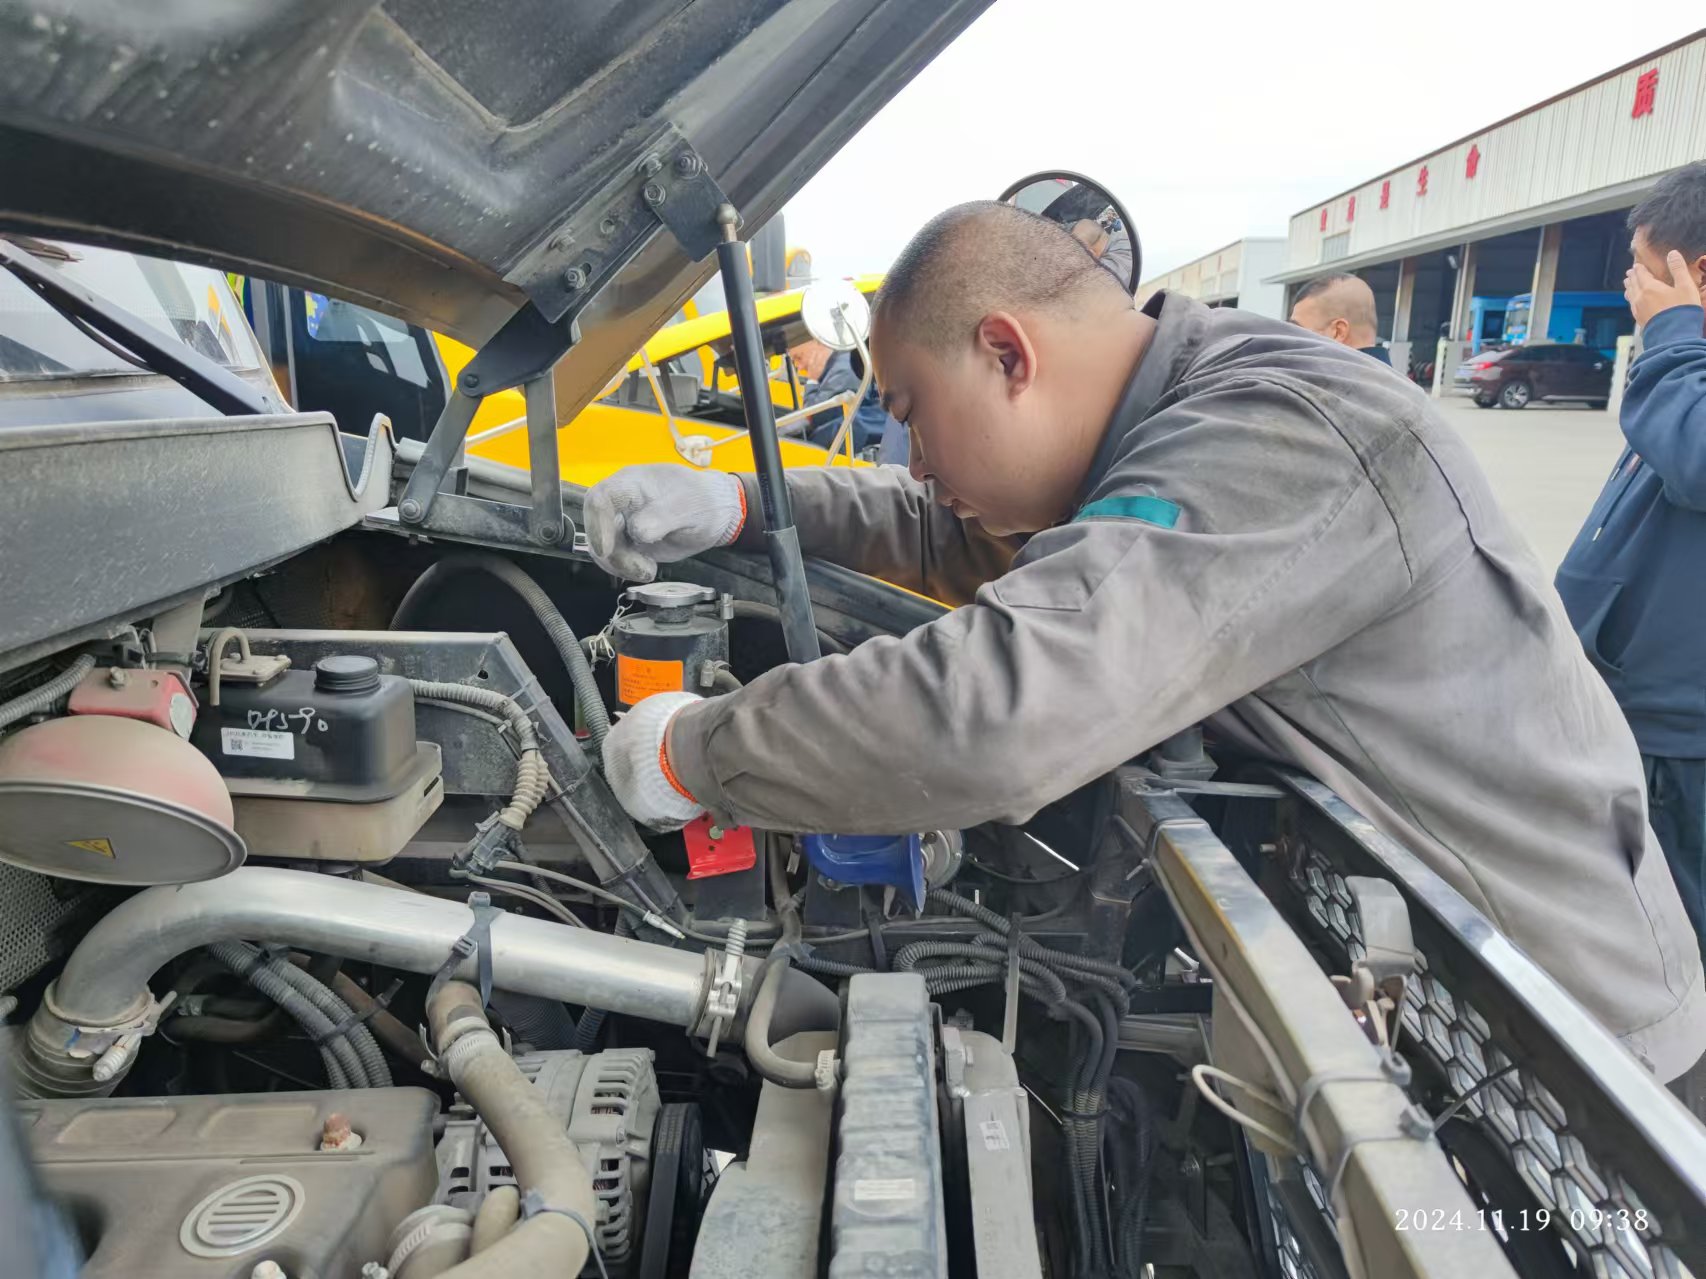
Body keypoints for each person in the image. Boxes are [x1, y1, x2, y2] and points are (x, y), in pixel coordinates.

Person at [587, 200, 1705, 1081]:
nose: (913, 458)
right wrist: (741, 501)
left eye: (914, 414)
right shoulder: (1174, 413)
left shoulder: (1281, 433)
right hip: (1402, 979)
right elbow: (953, 529)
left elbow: (1000, 709)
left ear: (1007, 354)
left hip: (1564, 1056)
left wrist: (698, 752)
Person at [1555, 162, 1706, 955]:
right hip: (1638, 724)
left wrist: (1675, 334)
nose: (1631, 294)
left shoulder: (1683, 362)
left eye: (1642, 273)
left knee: (1671, 949)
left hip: (1684, 748)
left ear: (1697, 274)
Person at [1289, 272, 1391, 365]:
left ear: (1338, 331)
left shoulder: (1316, 376)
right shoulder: (1391, 377)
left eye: (1299, 331)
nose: (1290, 339)